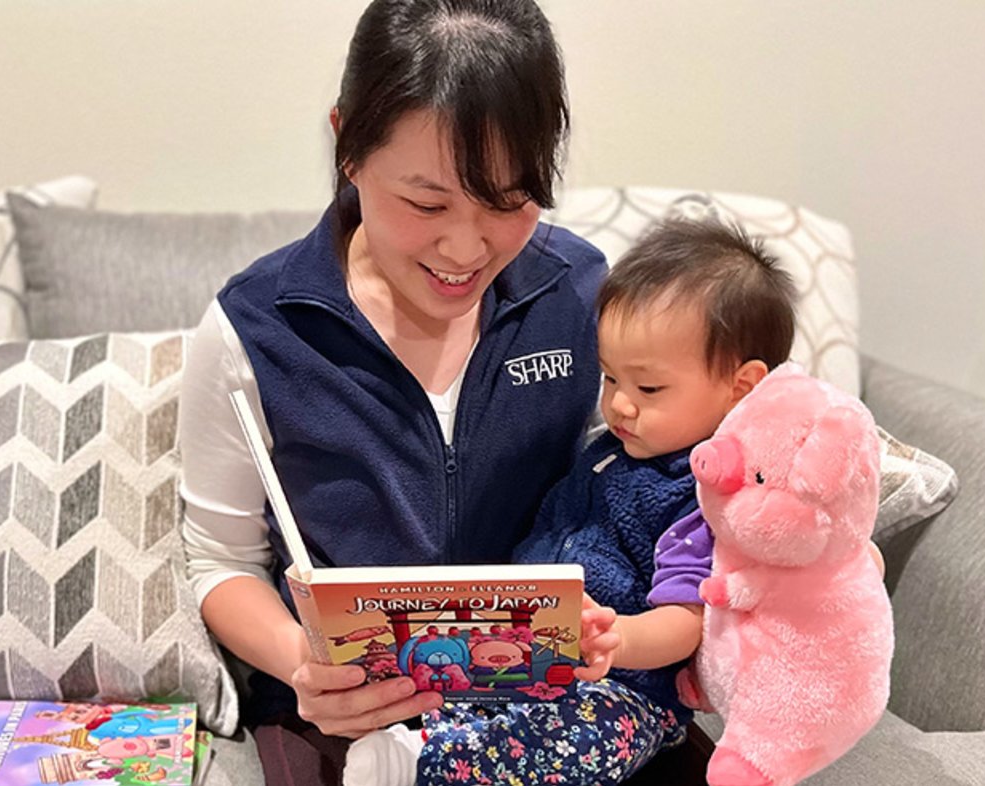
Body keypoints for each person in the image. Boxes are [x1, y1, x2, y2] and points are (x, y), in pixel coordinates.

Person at [176, 2, 608, 783]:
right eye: (427, 202)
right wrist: (304, 667)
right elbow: (219, 558)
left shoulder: (580, 297)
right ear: (347, 143)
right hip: (344, 722)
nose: (465, 248)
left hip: (552, 718)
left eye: (509, 199)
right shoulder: (256, 327)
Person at [341, 217, 798, 786]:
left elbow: (688, 621)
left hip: (627, 687)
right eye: (609, 379)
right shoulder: (611, 450)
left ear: (742, 386)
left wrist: (619, 640)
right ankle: (425, 742)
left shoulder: (705, 496)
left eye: (648, 388)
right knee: (453, 684)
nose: (620, 405)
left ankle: (429, 765)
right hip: (530, 651)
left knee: (578, 745)